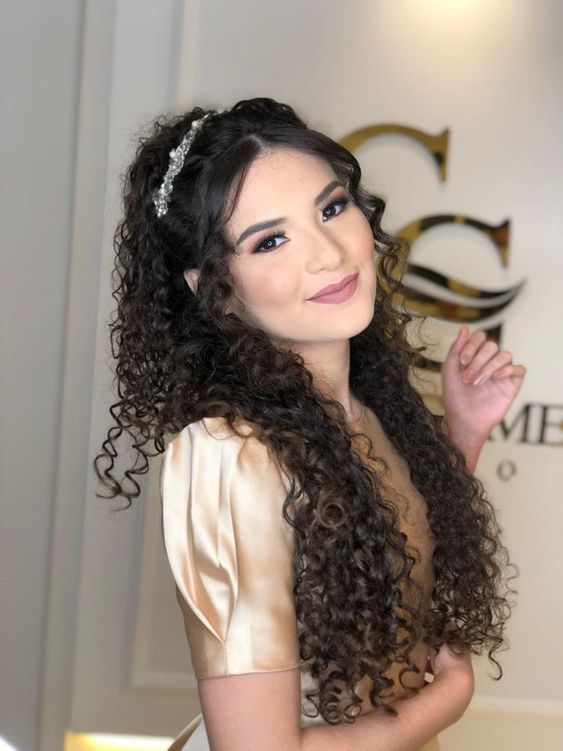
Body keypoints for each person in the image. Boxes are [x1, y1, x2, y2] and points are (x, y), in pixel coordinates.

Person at [94, 97, 525, 751]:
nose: (327, 253)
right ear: (215, 290)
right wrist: (445, 700)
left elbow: (395, 566)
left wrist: (463, 434)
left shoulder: (369, 411)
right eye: (270, 240)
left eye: (330, 208)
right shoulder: (230, 455)